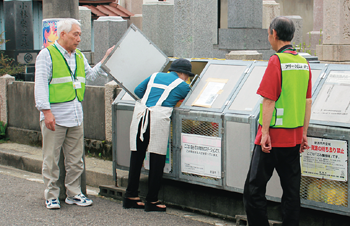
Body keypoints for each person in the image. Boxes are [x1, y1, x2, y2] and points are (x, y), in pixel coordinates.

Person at [35, 18, 114, 209]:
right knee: (51, 159)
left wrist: (105, 59)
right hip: (55, 115)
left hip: (76, 115)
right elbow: (40, 85)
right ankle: (51, 195)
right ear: (63, 34)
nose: (79, 39)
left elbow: (90, 75)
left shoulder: (79, 56)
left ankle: (74, 193)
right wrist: (46, 112)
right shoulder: (47, 55)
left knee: (76, 159)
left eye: (80, 34)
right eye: (75, 34)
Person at [243, 16, 312, 226]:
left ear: (274, 34)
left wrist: (264, 133)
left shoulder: (276, 60)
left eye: (268, 34)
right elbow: (307, 101)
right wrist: (303, 134)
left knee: (253, 190)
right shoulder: (303, 62)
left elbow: (269, 99)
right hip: (293, 139)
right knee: (291, 192)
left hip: (271, 139)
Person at [123, 58, 192, 212]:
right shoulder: (182, 85)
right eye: (188, 75)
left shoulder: (154, 76)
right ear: (183, 73)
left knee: (137, 155)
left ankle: (130, 196)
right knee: (157, 157)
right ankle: (152, 200)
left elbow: (138, 91)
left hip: (140, 115)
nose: (188, 78)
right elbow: (188, 100)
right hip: (157, 118)